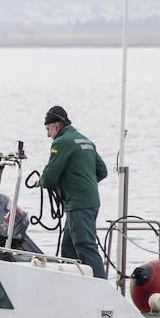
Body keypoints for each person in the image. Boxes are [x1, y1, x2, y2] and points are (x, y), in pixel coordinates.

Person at [38, 105, 108, 279]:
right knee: (68, 247)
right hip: (89, 201)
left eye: (48, 129)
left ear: (56, 125)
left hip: (78, 204)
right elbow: (102, 171)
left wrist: (42, 181)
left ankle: (102, 288)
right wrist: (84, 185)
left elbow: (49, 177)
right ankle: (71, 283)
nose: (48, 135)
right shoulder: (85, 140)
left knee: (86, 246)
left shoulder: (61, 142)